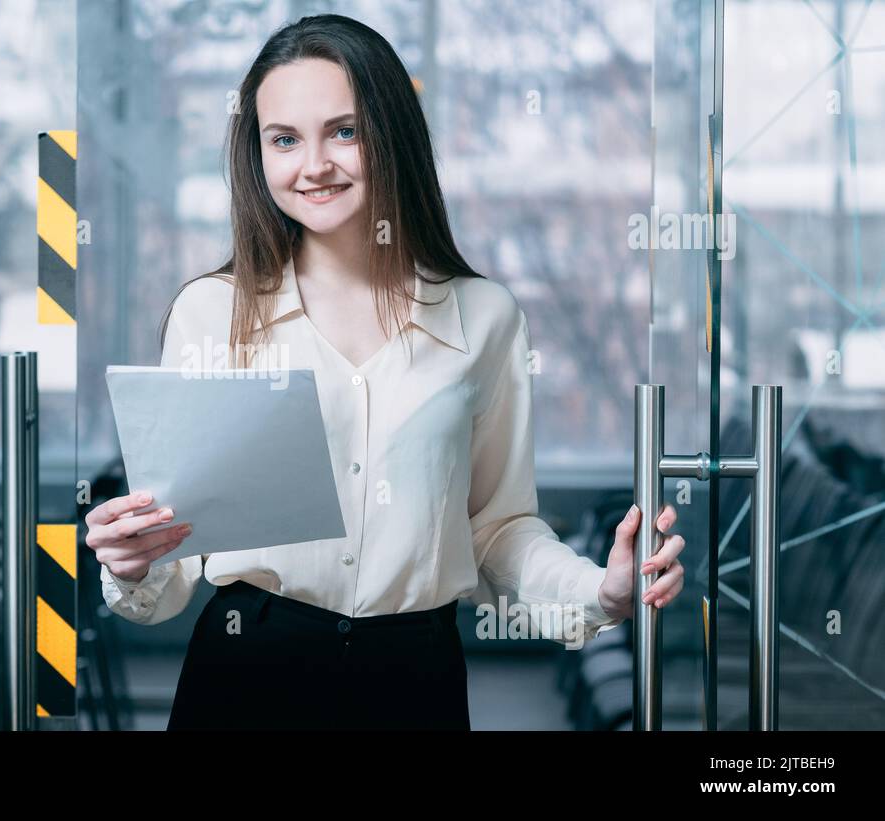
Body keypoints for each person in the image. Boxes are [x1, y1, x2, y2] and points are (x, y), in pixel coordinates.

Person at [84, 13, 685, 731]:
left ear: (392, 133)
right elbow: (174, 561)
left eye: (344, 131)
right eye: (284, 139)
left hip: (413, 684)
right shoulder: (212, 314)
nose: (314, 165)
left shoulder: (484, 319)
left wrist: (603, 591)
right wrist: (130, 561)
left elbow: (499, 533)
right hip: (246, 680)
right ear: (258, 155)